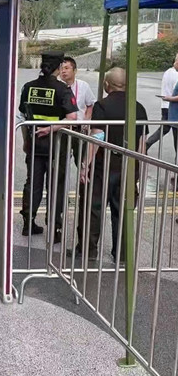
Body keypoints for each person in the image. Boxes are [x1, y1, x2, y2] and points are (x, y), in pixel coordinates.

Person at [70, 68, 148, 263]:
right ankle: (121, 254)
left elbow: (98, 136)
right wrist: (139, 169)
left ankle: (88, 250)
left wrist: (85, 164)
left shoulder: (102, 106)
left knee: (92, 207)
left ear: (106, 85)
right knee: (122, 209)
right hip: (129, 165)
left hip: (103, 164)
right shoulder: (138, 107)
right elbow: (142, 143)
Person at [19, 51, 78, 239]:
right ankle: (55, 228)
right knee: (56, 186)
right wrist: (52, 128)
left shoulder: (29, 87)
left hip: (34, 144)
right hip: (57, 146)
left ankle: (28, 223)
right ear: (59, 68)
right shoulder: (63, 89)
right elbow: (72, 118)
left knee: (33, 184)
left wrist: (26, 141)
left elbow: (22, 116)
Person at [59, 56, 96, 166]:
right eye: (61, 68)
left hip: (79, 130)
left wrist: (86, 120)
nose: (63, 71)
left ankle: (83, 180)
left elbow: (90, 104)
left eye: (66, 68)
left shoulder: (83, 86)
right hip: (62, 130)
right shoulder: (57, 87)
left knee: (82, 162)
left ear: (75, 70)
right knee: (61, 164)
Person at [146, 53, 178, 156]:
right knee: (169, 129)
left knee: (165, 128)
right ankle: (147, 143)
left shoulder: (168, 72)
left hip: (165, 105)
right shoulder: (176, 75)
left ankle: (147, 143)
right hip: (172, 106)